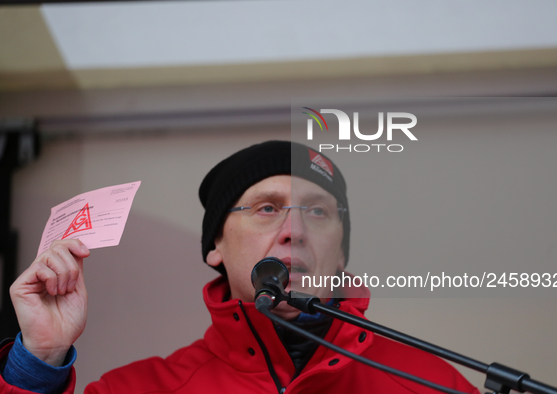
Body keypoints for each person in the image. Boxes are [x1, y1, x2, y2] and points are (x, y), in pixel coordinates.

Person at [0, 140, 479, 394]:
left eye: (317, 211)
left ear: (342, 253)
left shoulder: (433, 384)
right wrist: (39, 361)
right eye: (267, 208)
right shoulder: (137, 389)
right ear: (215, 247)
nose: (295, 230)